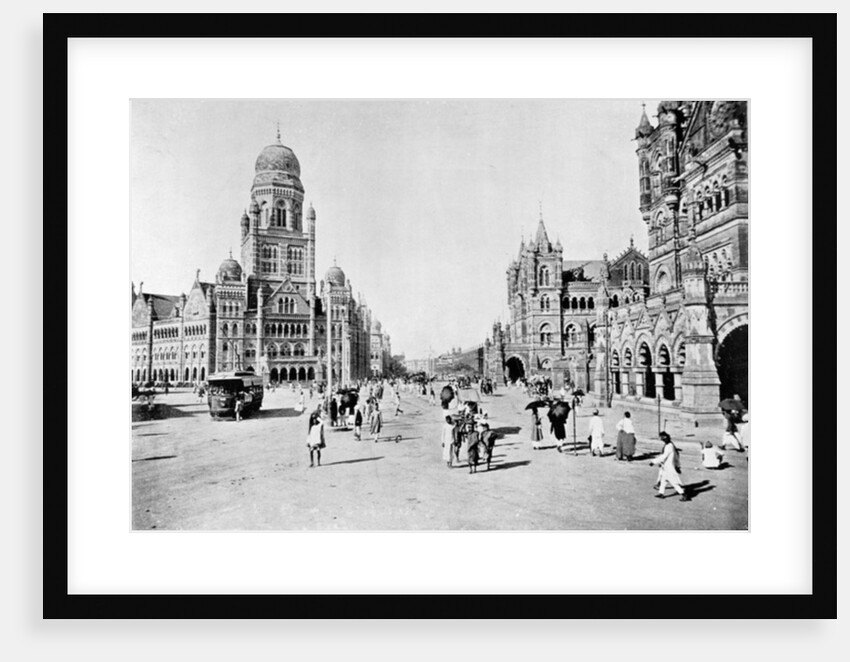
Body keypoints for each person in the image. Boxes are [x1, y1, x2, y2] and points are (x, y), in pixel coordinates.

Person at [651, 431, 690, 500]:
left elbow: (664, 456)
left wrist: (654, 461)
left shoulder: (669, 446)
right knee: (663, 481)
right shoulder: (670, 445)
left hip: (669, 467)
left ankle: (684, 494)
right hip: (666, 467)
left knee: (673, 483)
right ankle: (661, 493)